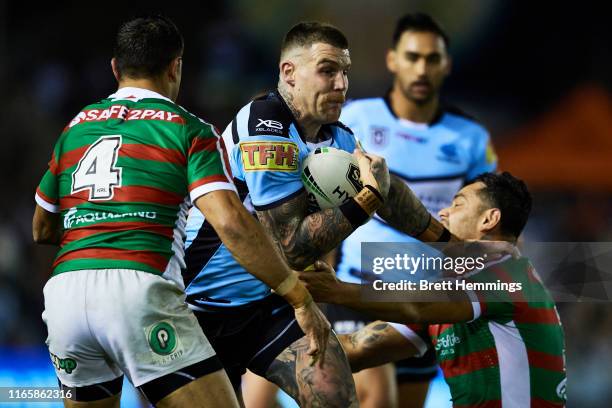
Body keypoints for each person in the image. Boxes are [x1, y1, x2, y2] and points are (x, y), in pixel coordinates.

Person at [32, 15, 330, 408]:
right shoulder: (188, 129)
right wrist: (298, 297)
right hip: (137, 289)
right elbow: (230, 223)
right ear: (176, 67)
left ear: (115, 68)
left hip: (64, 297)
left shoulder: (75, 129)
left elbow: (42, 227)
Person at [183, 21, 391, 407]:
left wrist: (450, 243)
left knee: (334, 391)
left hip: (269, 304)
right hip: (194, 308)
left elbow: (390, 196)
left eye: (345, 72)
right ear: (289, 73)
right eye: (329, 71)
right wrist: (364, 202)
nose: (342, 84)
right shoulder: (264, 121)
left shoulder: (340, 139)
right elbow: (290, 244)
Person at [328, 12, 498, 408]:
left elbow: (487, 226)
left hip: (426, 306)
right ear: (392, 60)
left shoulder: (471, 139)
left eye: (432, 58)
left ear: (446, 64)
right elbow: (324, 199)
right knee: (376, 399)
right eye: (412, 56)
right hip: (358, 292)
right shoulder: (354, 120)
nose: (422, 68)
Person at [300, 172, 568, 407]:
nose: (443, 213)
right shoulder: (452, 296)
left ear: (489, 219)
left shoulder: (510, 274)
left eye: (457, 204)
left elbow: (418, 306)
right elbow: (355, 352)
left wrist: (335, 290)